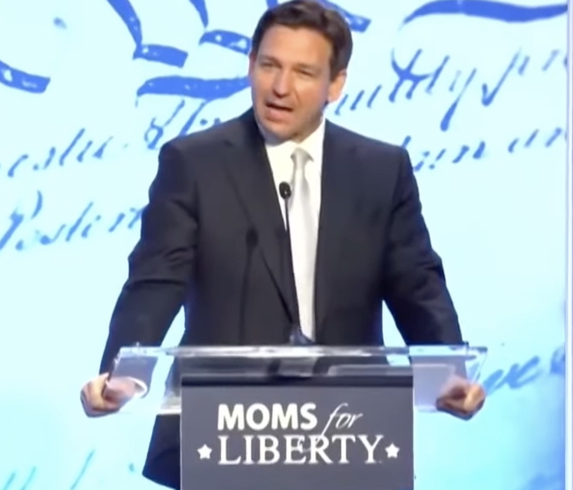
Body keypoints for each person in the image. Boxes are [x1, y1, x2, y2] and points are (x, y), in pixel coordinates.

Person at [80, 1, 486, 488]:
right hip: (225, 429)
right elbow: (154, 281)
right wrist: (124, 371)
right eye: (269, 65)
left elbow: (416, 283)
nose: (280, 86)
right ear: (250, 64)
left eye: (303, 72)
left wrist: (447, 369)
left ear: (336, 84)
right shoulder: (195, 163)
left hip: (351, 430)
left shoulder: (381, 169)